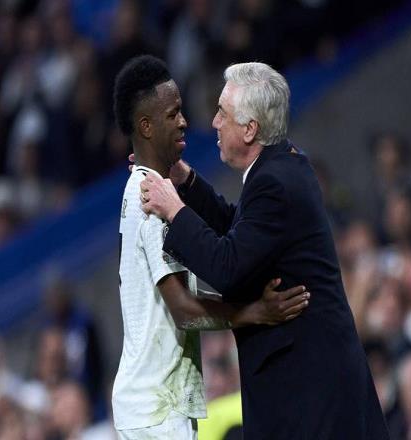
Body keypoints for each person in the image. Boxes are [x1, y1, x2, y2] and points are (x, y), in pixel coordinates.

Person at [141, 62, 390, 439]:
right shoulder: (282, 166)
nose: (214, 123)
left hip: (310, 395)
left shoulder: (273, 182)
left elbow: (227, 268)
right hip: (312, 388)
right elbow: (239, 230)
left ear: (250, 128)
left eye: (222, 113)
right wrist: (185, 181)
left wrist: (174, 210)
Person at [112, 56, 310, 440]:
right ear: (146, 126)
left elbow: (224, 238)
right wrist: (254, 312)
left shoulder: (151, 188)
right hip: (156, 407)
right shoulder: (152, 198)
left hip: (153, 403)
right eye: (173, 114)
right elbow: (184, 311)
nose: (185, 121)